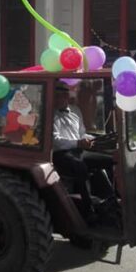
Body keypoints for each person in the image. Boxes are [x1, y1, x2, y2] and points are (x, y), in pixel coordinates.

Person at [51, 84, 113, 223]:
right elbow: (56, 141)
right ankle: (88, 209)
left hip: (78, 150)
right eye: (56, 96)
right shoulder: (50, 114)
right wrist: (79, 143)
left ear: (67, 97)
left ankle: (111, 199)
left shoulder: (75, 110)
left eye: (61, 95)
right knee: (80, 167)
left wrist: (94, 139)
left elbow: (81, 133)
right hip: (60, 154)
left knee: (111, 160)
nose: (58, 99)